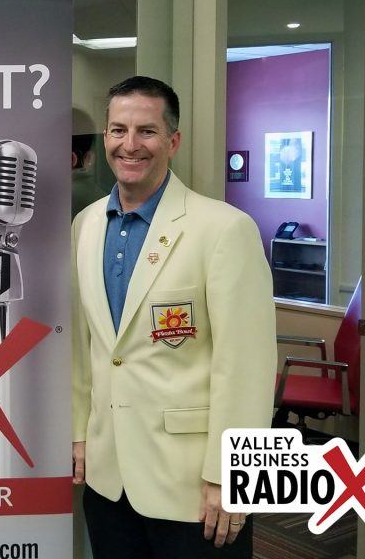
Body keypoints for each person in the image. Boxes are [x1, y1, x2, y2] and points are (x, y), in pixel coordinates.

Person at [71, 76, 275, 558]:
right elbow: (84, 349)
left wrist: (232, 477)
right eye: (118, 130)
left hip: (195, 489)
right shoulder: (83, 227)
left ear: (173, 141)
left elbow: (245, 366)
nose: (130, 144)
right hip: (109, 477)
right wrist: (80, 433)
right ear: (105, 139)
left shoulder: (223, 229)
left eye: (147, 131)